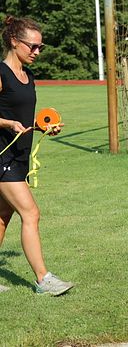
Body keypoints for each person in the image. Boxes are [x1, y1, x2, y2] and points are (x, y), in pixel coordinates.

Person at [0, 16, 73, 295]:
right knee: (31, 212)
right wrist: (6, 123)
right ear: (14, 42)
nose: (37, 52)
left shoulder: (28, 76)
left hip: (20, 156)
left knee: (3, 216)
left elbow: (23, 114)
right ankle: (44, 280)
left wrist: (45, 127)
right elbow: (8, 118)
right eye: (32, 46)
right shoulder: (1, 73)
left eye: (40, 47)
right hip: (1, 156)